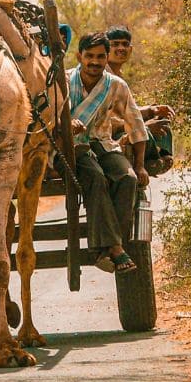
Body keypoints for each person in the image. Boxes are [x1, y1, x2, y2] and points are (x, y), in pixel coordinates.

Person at [68, 31, 150, 273]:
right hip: (69, 148)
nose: (94, 62)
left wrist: (140, 164)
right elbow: (48, 118)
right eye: (89, 56)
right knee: (95, 177)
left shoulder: (115, 85)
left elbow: (135, 124)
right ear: (79, 56)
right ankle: (114, 248)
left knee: (128, 179)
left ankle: (106, 248)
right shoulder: (62, 81)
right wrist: (67, 124)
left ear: (107, 58)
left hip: (102, 143)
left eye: (100, 57)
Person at [105, 24, 174, 176]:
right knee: (146, 130)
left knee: (160, 118)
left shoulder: (119, 75)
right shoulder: (103, 76)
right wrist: (143, 125)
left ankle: (160, 157)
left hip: (123, 127)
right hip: (106, 133)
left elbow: (128, 112)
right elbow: (107, 120)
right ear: (106, 49)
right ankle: (151, 162)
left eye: (125, 44)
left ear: (131, 49)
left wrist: (151, 110)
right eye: (115, 44)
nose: (121, 48)